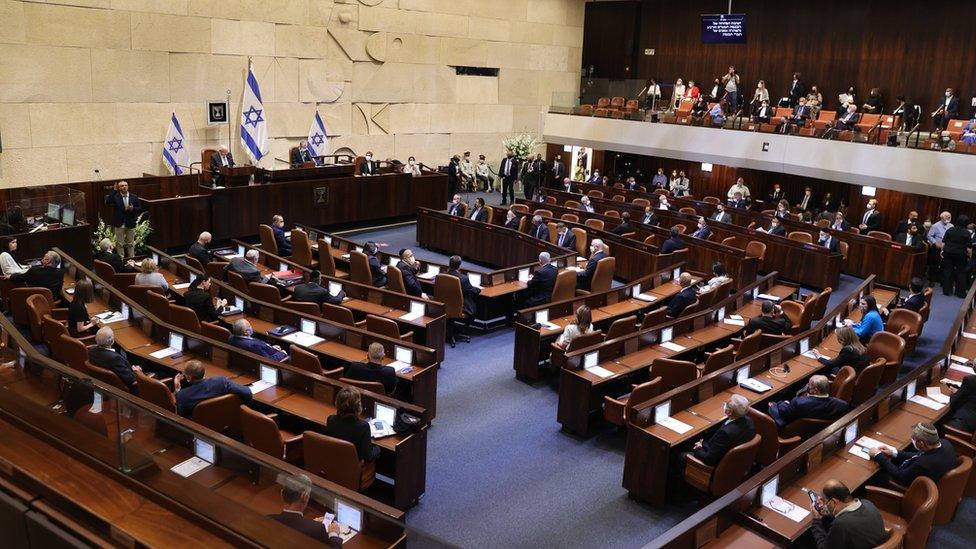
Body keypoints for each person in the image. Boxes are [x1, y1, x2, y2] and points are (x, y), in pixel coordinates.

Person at [869, 422, 957, 485]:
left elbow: (900, 476)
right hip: (921, 473)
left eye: (914, 438)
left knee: (873, 476)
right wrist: (894, 452)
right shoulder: (945, 443)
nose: (912, 439)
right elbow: (917, 455)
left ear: (922, 443)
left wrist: (878, 455)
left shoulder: (923, 464)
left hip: (903, 485)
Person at [808, 480, 888, 549]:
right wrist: (828, 513)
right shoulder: (867, 503)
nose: (821, 502)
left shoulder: (840, 524)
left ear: (833, 502)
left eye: (823, 500)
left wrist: (816, 521)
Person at [268, 474, 343, 545]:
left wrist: (311, 524)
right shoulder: (317, 529)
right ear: (305, 497)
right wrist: (334, 534)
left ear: (282, 494)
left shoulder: (268, 519)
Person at [688, 394, 754, 466]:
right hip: (736, 461)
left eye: (726, 404)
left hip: (717, 465)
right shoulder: (749, 420)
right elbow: (719, 446)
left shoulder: (725, 433)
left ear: (729, 412)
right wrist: (703, 443)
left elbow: (709, 459)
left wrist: (698, 449)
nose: (724, 405)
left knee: (680, 453)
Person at [324, 386, 381, 467]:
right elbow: (368, 457)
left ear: (337, 403)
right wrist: (378, 449)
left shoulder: (331, 419)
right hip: (353, 468)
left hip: (333, 463)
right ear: (358, 406)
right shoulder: (363, 426)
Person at [174, 360, 252, 417]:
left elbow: (181, 417)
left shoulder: (182, 395)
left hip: (201, 427)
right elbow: (247, 393)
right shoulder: (221, 381)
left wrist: (177, 390)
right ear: (204, 372)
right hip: (226, 419)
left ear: (189, 377)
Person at [768, 375, 848, 429]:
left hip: (794, 429)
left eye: (809, 386)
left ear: (815, 390)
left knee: (771, 405)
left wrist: (783, 403)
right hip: (819, 431)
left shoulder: (799, 402)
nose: (808, 387)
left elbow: (784, 413)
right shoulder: (841, 405)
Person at [89, 327, 140, 394]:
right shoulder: (115, 359)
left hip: (105, 384)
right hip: (129, 389)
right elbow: (132, 382)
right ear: (112, 340)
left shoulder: (92, 351)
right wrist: (138, 372)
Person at [104, 180, 141, 259]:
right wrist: (114, 190)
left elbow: (139, 208)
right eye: (122, 186)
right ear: (119, 188)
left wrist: (132, 208)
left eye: (126, 185)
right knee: (120, 243)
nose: (124, 187)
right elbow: (107, 202)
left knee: (130, 243)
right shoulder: (116, 196)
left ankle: (132, 259)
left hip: (130, 222)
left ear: (128, 186)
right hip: (119, 223)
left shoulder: (133, 196)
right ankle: (121, 259)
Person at [941, 214, 971, 297]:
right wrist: (969, 256)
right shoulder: (967, 233)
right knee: (961, 273)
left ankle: (946, 291)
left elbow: (944, 242)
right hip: (960, 254)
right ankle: (960, 293)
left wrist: (942, 251)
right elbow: (969, 248)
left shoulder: (950, 230)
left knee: (947, 271)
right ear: (966, 223)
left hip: (948, 252)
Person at [928, 211, 953, 283]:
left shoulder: (951, 226)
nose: (948, 218)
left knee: (943, 264)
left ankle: (940, 279)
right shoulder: (935, 225)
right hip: (937, 248)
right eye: (947, 216)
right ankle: (931, 279)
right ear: (941, 217)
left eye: (949, 217)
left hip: (946, 248)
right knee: (934, 263)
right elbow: (929, 236)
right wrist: (935, 242)